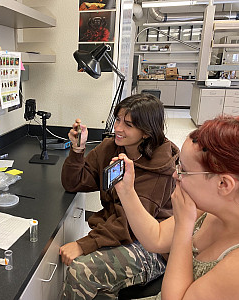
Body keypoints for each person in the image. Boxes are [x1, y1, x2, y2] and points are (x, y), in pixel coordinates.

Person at [114, 115, 239, 299]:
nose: (176, 176)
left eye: (184, 170)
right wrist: (126, 191)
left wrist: (184, 226)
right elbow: (156, 238)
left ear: (224, 184)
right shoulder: (211, 208)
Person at [60, 93, 180, 299]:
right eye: (117, 120)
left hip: (150, 245)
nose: (118, 128)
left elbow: (131, 225)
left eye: (128, 125)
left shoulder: (160, 168)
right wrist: (77, 149)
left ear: (146, 132)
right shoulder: (111, 147)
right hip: (117, 229)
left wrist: (83, 245)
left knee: (81, 269)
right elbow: (74, 182)